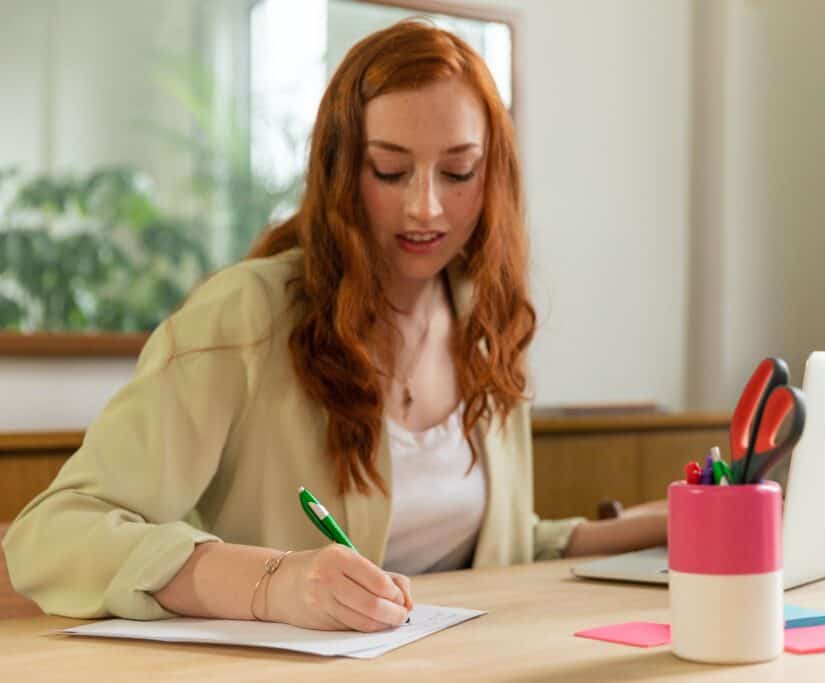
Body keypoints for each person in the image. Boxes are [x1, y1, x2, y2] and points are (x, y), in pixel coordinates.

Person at [3, 20, 667, 633]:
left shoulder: (485, 326)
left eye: (459, 171)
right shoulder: (242, 316)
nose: (426, 205)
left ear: (494, 175)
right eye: (390, 170)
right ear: (340, 169)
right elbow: (51, 535)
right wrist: (271, 584)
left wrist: (658, 526)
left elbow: (492, 544)